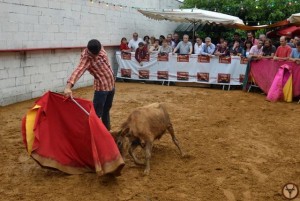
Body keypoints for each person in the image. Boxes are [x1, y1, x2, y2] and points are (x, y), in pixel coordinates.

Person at [64, 39, 115, 130]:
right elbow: (78, 71)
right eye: (94, 54)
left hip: (111, 85)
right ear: (89, 51)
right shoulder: (86, 58)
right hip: (101, 89)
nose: (97, 55)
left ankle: (107, 132)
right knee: (95, 115)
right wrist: (68, 87)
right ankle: (93, 134)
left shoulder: (100, 47)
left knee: (106, 110)